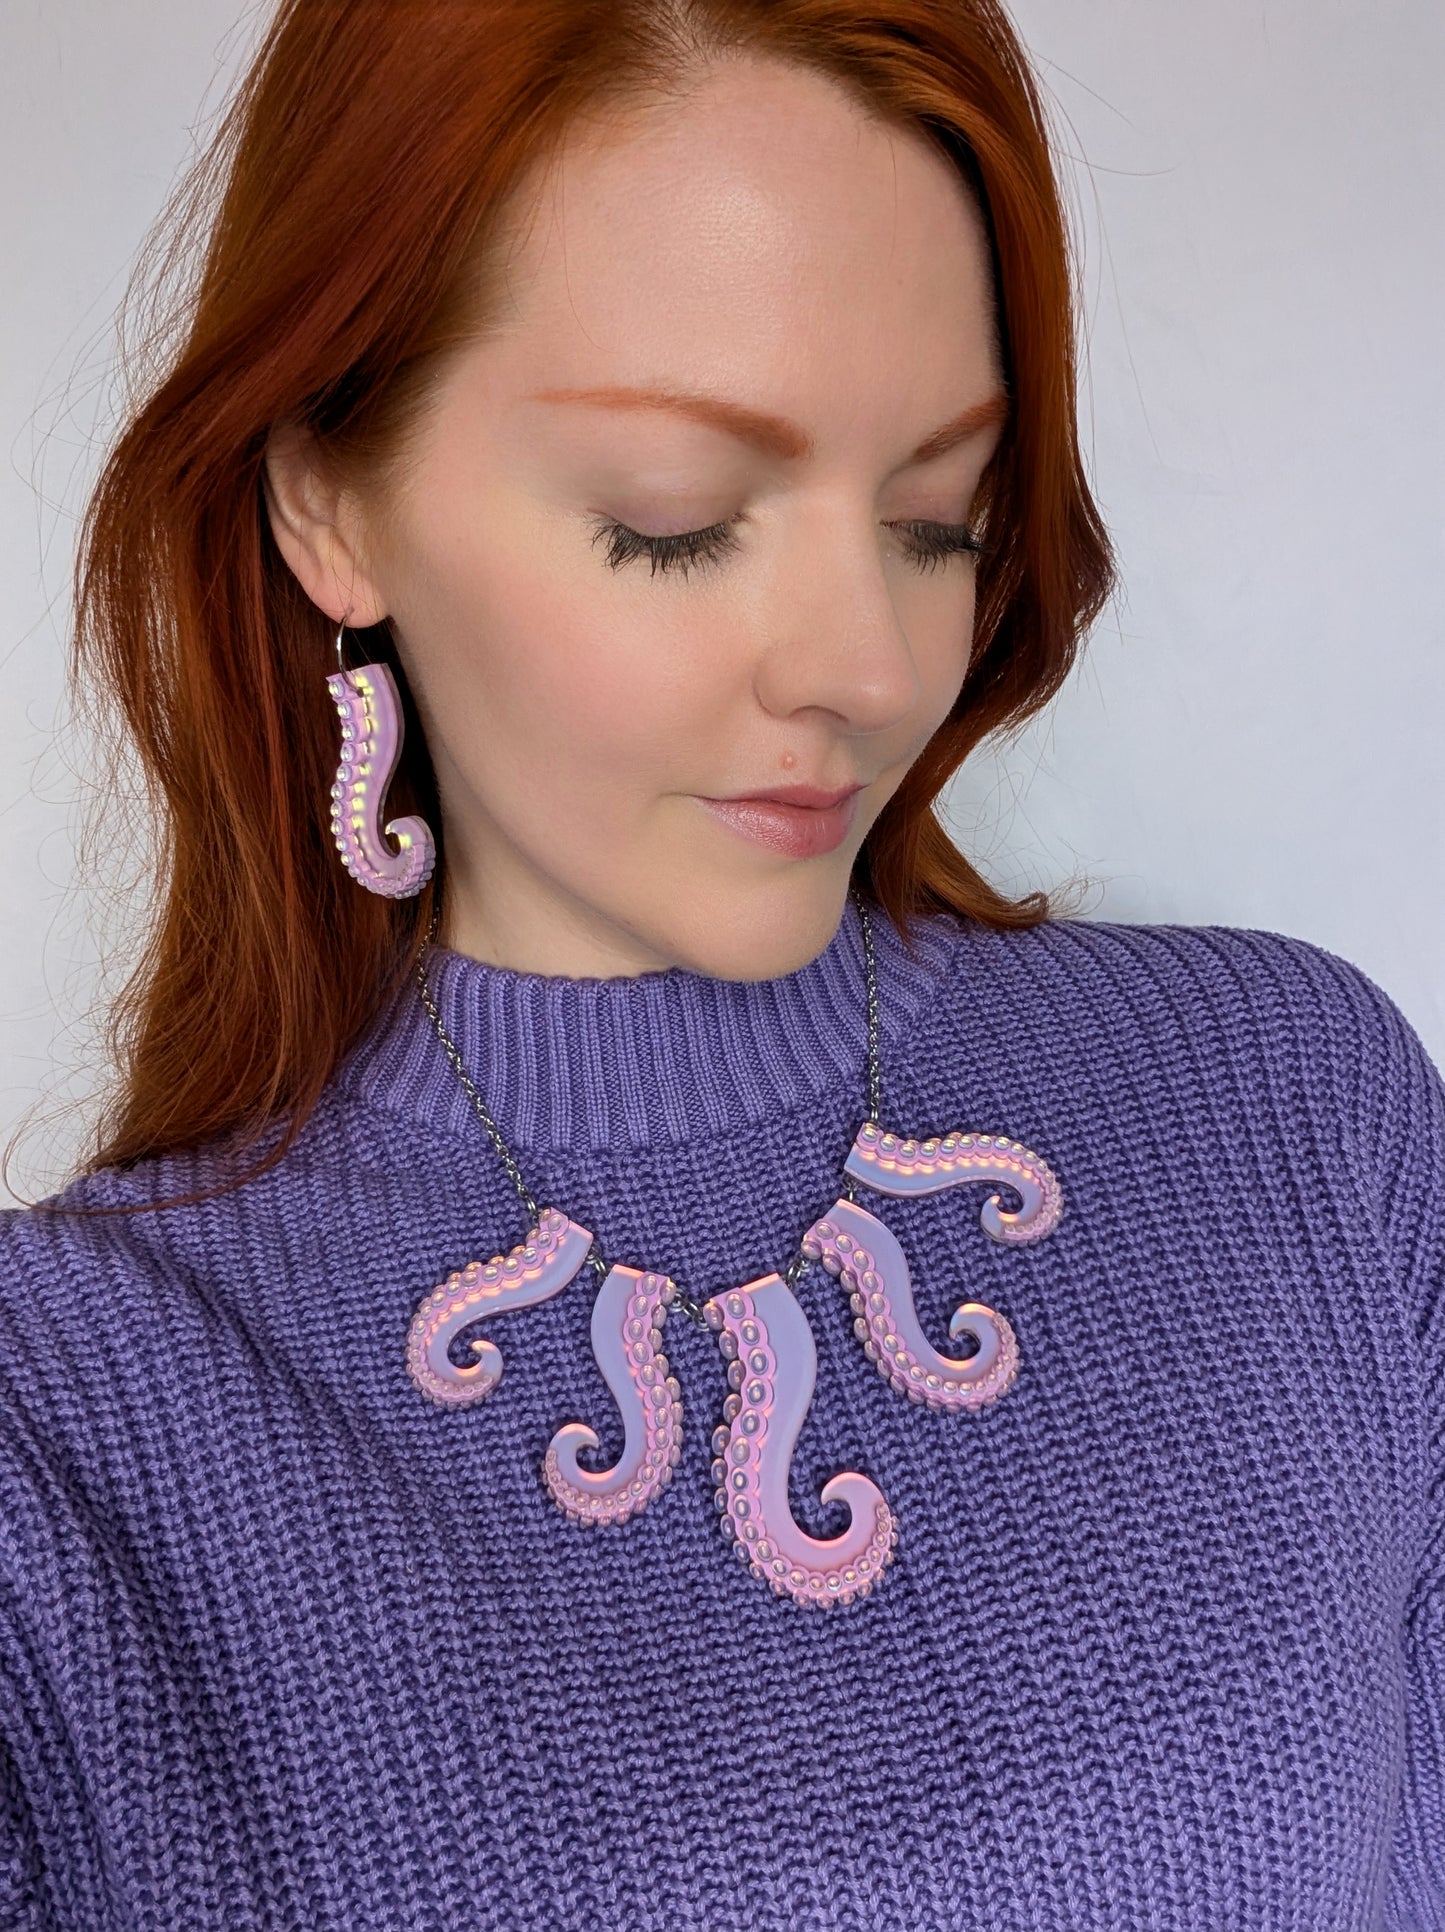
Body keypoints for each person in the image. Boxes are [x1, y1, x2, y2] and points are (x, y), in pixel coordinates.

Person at [0, 1, 1438, 1926]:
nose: (866, 665)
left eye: (935, 519)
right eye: (672, 525)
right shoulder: (64, 1422)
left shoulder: (1296, 1116)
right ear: (330, 503)